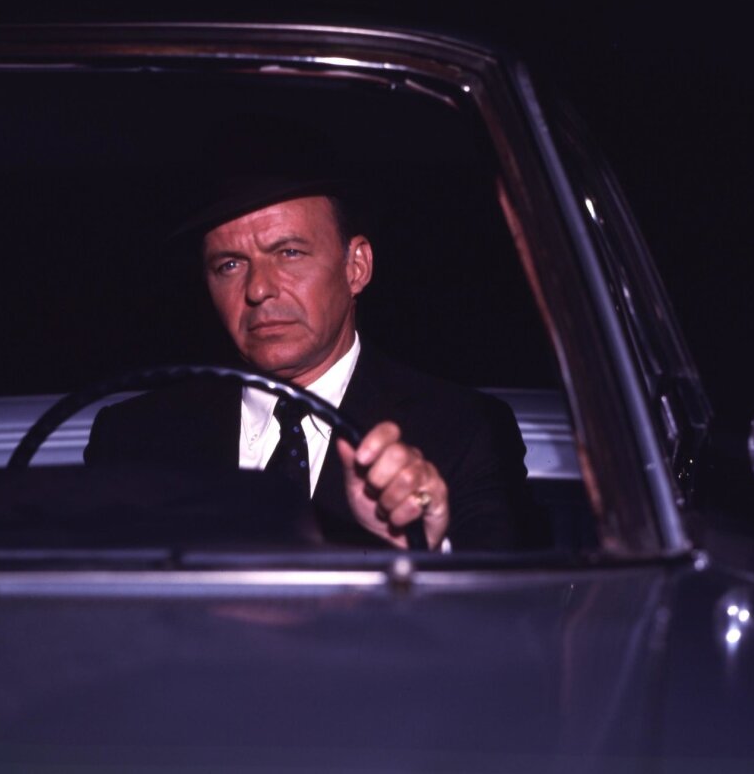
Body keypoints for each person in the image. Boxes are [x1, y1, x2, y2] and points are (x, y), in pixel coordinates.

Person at [85, 176, 531, 551]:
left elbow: (514, 613)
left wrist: (425, 549)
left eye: (289, 253)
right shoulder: (133, 439)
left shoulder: (464, 431)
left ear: (356, 267)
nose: (258, 289)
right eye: (230, 265)